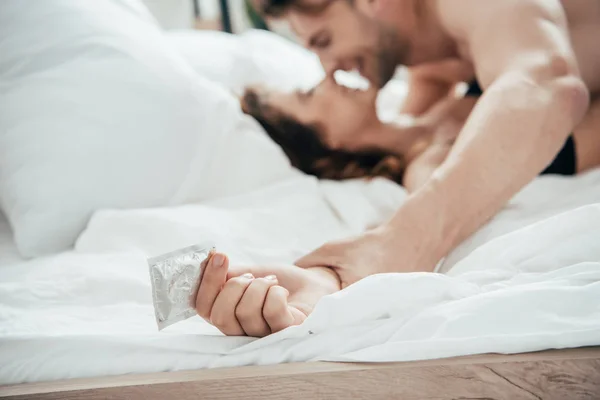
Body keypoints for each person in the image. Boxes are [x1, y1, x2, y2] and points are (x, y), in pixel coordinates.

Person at [195, 73, 600, 337]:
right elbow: (436, 211)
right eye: (308, 93)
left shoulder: (426, 94)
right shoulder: (428, 165)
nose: (328, 76)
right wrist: (331, 282)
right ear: (326, 148)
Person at [250, 0, 600, 288]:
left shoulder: (460, 29)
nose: (328, 68)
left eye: (324, 40)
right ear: (330, 145)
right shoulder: (425, 73)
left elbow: (547, 86)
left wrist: (405, 239)